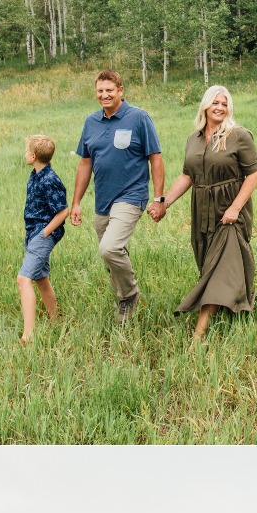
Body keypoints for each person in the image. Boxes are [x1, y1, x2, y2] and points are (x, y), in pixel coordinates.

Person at [149, 85, 257, 342]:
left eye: (224, 103)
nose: (220, 107)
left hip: (230, 208)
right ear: (205, 106)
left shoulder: (239, 135)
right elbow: (188, 175)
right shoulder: (194, 139)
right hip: (202, 207)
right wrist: (164, 203)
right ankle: (232, 299)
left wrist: (235, 207)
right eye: (215, 103)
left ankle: (199, 332)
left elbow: (254, 174)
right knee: (208, 259)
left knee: (222, 263)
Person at [70, 72, 165, 327]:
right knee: (111, 254)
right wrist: (76, 202)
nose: (105, 95)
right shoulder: (91, 122)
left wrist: (159, 198)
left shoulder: (138, 118)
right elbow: (85, 162)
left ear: (121, 90)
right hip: (103, 200)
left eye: (110, 90)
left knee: (109, 248)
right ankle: (124, 292)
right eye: (100, 91)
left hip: (131, 195)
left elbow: (155, 157)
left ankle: (129, 296)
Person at [18, 136, 69, 344]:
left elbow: (62, 211)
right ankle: (56, 320)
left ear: (33, 156)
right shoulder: (36, 175)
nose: (24, 154)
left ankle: (28, 335)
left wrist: (44, 233)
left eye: (26, 150)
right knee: (41, 278)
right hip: (33, 232)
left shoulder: (50, 180)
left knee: (23, 279)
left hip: (41, 233)